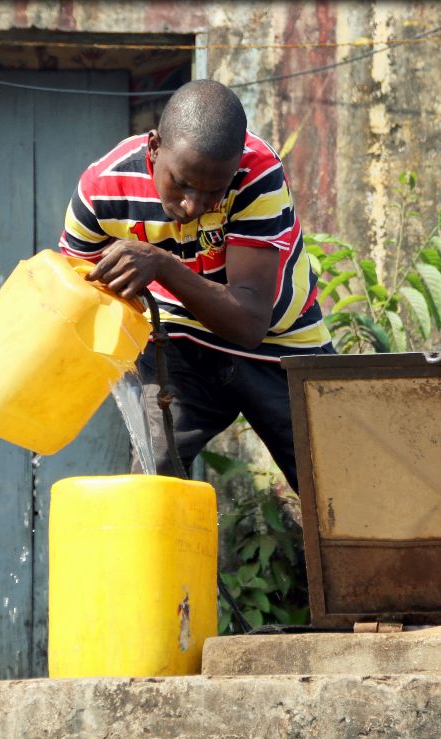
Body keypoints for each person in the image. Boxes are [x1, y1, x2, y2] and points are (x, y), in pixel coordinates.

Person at [59, 79, 332, 493]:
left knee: (336, 485)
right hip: (177, 338)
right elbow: (67, 290)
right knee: (157, 475)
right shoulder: (102, 190)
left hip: (281, 342)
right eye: (181, 183)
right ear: (154, 148)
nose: (192, 205)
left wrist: (161, 265)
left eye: (212, 191)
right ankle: (160, 558)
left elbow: (249, 324)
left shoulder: (258, 175)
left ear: (236, 165)